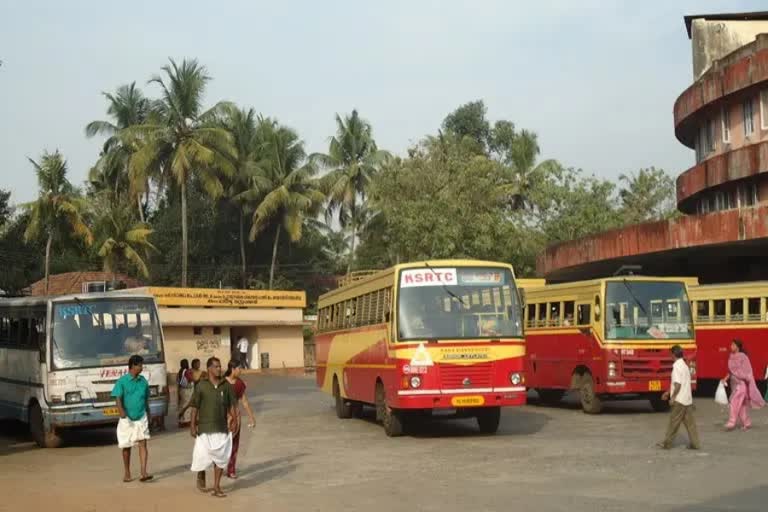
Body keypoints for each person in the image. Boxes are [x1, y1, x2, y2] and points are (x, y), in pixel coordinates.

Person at [189, 357, 239, 498]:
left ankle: (216, 487)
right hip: (204, 428)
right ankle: (201, 473)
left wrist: (234, 420)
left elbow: (232, 405)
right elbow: (194, 407)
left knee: (220, 458)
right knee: (203, 457)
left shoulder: (226, 385)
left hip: (221, 427)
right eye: (216, 366)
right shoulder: (201, 386)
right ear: (209, 368)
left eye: (220, 366)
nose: (219, 369)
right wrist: (192, 425)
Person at [111, 355, 153, 482]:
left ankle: (143, 472)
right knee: (126, 446)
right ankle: (127, 473)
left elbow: (146, 398)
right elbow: (117, 397)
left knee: (143, 443)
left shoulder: (143, 381)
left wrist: (148, 412)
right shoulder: (122, 381)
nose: (141, 367)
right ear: (133, 366)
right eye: (139, 365)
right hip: (127, 418)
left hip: (141, 416)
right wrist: (121, 411)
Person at [657, 345, 700, 450]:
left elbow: (678, 385)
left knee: (673, 423)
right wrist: (668, 392)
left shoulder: (676, 366)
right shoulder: (684, 365)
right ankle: (695, 444)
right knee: (690, 425)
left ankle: (667, 444)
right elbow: (681, 383)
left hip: (679, 400)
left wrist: (672, 397)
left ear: (673, 354)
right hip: (687, 400)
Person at [224, 360, 257, 479]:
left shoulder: (239, 384)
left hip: (235, 417)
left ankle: (231, 469)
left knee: (234, 444)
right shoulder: (222, 382)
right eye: (239, 368)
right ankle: (220, 465)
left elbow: (244, 401)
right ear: (232, 369)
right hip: (222, 415)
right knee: (221, 443)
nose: (241, 370)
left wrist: (251, 417)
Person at [723, 339, 765, 431]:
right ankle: (747, 423)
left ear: (737, 347)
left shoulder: (743, 357)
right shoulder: (731, 357)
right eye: (731, 345)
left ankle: (731, 421)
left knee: (734, 402)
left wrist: (743, 376)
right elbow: (731, 372)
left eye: (733, 345)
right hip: (734, 384)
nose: (731, 347)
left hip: (741, 384)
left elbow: (748, 370)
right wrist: (725, 379)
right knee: (741, 406)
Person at [177, 359, 194, 427]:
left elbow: (178, 381)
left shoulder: (180, 371)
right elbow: (190, 379)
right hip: (187, 389)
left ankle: (181, 420)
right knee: (188, 405)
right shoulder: (186, 371)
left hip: (182, 389)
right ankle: (186, 421)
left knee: (182, 404)